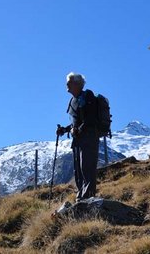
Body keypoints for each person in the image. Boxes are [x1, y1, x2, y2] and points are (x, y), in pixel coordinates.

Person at [57, 72, 99, 202]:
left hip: (89, 138)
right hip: (79, 140)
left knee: (87, 167)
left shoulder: (88, 97)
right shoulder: (74, 101)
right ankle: (81, 196)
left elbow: (91, 118)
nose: (66, 84)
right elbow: (77, 121)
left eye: (69, 82)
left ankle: (88, 197)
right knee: (79, 170)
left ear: (77, 84)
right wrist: (65, 129)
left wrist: (78, 129)